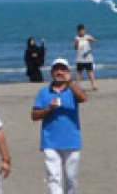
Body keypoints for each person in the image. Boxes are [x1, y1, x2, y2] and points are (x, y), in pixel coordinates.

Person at [31, 58, 87, 194]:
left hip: (71, 142)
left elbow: (84, 98)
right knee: (54, 178)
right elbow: (34, 115)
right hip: (50, 143)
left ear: (68, 72)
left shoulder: (72, 90)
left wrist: (70, 82)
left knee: (71, 179)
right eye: (56, 69)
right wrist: (49, 108)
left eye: (62, 69)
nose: (59, 72)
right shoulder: (44, 92)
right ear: (51, 72)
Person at [73, 25, 97, 90]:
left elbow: (94, 40)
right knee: (79, 74)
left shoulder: (87, 36)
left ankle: (94, 86)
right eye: (80, 31)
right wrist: (76, 43)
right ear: (78, 31)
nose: (82, 32)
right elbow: (75, 48)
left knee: (90, 73)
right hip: (80, 59)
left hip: (88, 58)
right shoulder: (76, 38)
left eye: (83, 30)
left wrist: (90, 39)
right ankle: (77, 86)